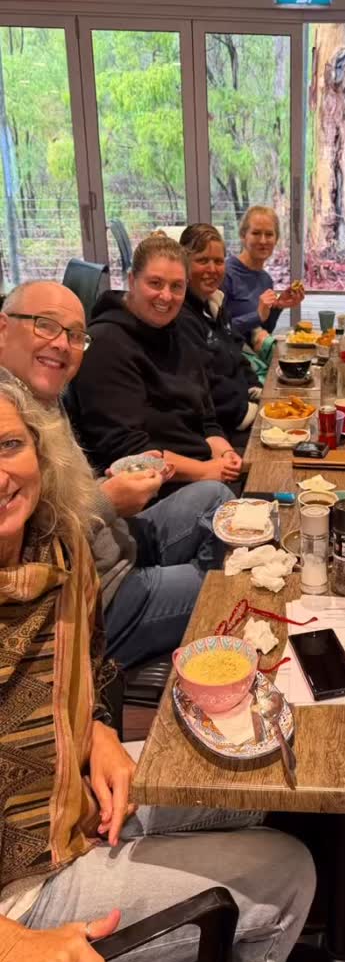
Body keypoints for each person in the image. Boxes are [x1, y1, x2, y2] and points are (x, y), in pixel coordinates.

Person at [0, 369, 315, 962]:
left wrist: (99, 731)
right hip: (21, 892)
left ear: (40, 446)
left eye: (8, 446)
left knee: (251, 792)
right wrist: (7, 944)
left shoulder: (58, 546)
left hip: (71, 800)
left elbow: (88, 663)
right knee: (289, 870)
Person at [0, 278, 235, 669]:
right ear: (4, 328)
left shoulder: (43, 395)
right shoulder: (10, 414)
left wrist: (105, 489)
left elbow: (54, 500)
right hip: (99, 597)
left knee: (219, 499)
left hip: (114, 544)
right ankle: (158, 647)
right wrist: (107, 499)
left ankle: (195, 606)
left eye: (75, 335)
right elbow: (29, 541)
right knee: (229, 581)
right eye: (45, 325)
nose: (61, 344)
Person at [68, 232, 244, 487]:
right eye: (155, 283)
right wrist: (206, 471)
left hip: (204, 467)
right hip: (153, 489)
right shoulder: (104, 344)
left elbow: (206, 416)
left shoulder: (178, 330)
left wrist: (224, 452)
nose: (166, 296)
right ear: (132, 280)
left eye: (176, 286)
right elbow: (127, 450)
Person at [178, 223, 261, 444]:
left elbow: (236, 351)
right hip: (219, 430)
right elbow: (204, 384)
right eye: (203, 260)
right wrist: (249, 411)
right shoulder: (181, 317)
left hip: (243, 409)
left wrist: (256, 388)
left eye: (218, 261)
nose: (212, 269)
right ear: (183, 264)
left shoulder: (215, 303)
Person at [223, 205, 303, 344]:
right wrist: (257, 315)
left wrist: (278, 307)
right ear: (243, 236)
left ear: (276, 239)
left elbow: (266, 329)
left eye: (269, 234)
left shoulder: (266, 280)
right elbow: (217, 332)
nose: (263, 241)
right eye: (256, 233)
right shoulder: (226, 273)